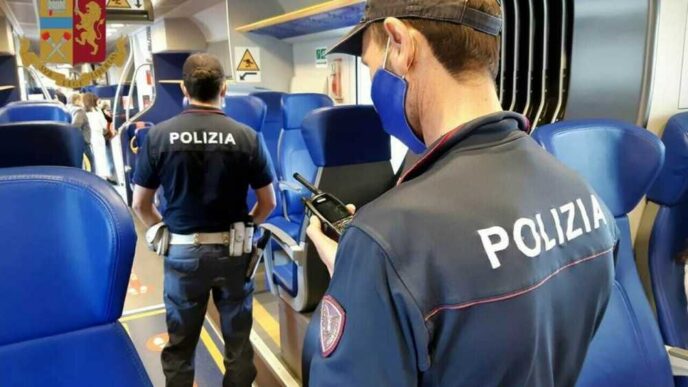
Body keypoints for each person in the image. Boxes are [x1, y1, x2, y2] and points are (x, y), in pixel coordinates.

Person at [303, 1, 619, 386]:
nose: (374, 86)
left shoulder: (387, 239)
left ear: (400, 45)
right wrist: (364, 280)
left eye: (371, 67)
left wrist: (363, 278)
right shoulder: (587, 199)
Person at [131, 53, 277, 387]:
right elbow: (268, 203)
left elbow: (141, 204)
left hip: (182, 254)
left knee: (181, 347)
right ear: (223, 88)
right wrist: (246, 229)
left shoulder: (158, 136)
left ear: (184, 88)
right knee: (238, 346)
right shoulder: (247, 137)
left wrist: (161, 233)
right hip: (234, 253)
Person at [83, 92, 111, 179]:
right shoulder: (97, 112)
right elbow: (104, 125)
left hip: (87, 138)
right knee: (101, 157)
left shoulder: (82, 112)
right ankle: (103, 177)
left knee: (92, 159)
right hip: (98, 137)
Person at [66, 93, 94, 171]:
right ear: (77, 100)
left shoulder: (67, 110)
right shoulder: (79, 111)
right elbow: (75, 126)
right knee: (90, 165)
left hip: (71, 142)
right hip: (82, 141)